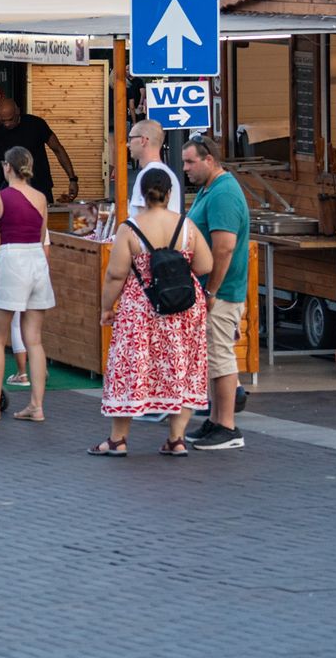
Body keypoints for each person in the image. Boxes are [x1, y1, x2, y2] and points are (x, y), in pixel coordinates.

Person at [90, 168, 211, 456]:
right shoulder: (186, 225)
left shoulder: (130, 228)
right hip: (184, 308)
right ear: (169, 194)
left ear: (142, 195)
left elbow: (116, 275)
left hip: (142, 307)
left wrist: (107, 307)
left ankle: (118, 439)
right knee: (182, 367)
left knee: (130, 366)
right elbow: (205, 265)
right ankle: (177, 438)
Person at [0, 147, 54, 423]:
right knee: (34, 338)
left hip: (12, 260)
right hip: (36, 261)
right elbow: (41, 235)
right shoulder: (40, 198)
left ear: (7, 167)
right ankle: (36, 405)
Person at [182, 138, 250, 449]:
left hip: (221, 291)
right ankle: (215, 420)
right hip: (211, 289)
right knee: (212, 355)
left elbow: (224, 247)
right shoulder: (210, 189)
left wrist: (211, 290)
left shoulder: (223, 193)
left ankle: (227, 426)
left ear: (209, 160)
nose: (185, 169)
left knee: (220, 355)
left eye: (190, 162)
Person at [0, 94, 80, 202]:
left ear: (17, 111)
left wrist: (72, 179)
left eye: (10, 119)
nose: (7, 124)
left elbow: (58, 149)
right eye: (3, 121)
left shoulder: (36, 124)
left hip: (39, 188)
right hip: (10, 194)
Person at [125, 120, 184, 222]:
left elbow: (144, 219)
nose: (128, 144)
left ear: (143, 140)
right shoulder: (167, 173)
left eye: (130, 138)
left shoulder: (150, 174)